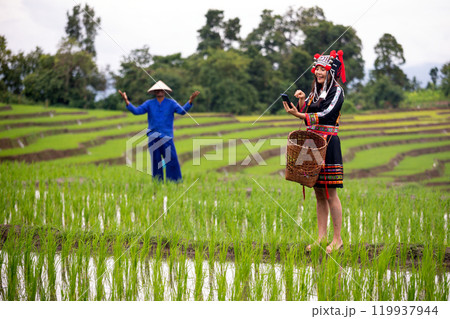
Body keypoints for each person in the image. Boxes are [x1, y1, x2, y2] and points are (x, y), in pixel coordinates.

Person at [282, 50, 346, 253]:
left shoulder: (337, 92)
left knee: (330, 192)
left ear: (330, 72)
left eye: (322, 69)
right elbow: (308, 111)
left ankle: (337, 239)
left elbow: (326, 113)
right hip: (313, 141)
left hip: (328, 142)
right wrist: (301, 102)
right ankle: (321, 237)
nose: (318, 72)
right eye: (317, 68)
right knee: (318, 192)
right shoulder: (315, 91)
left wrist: (298, 113)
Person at [119, 80, 200, 182]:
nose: (159, 92)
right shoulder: (149, 104)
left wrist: (190, 101)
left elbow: (182, 111)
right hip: (153, 137)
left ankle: (174, 182)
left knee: (172, 160)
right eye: (157, 90)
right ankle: (158, 182)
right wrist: (127, 101)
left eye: (161, 90)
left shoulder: (171, 103)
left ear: (164, 91)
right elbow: (136, 111)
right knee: (156, 161)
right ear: (154, 92)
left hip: (167, 137)